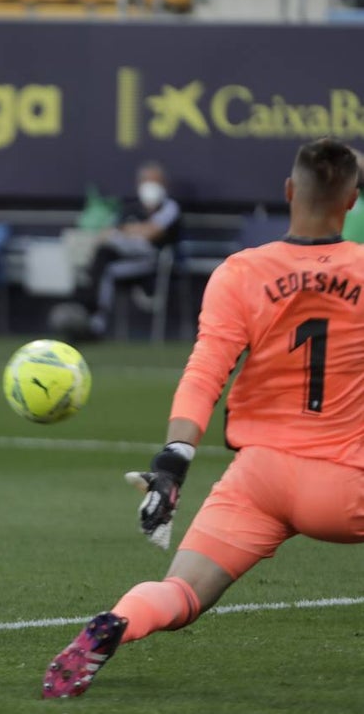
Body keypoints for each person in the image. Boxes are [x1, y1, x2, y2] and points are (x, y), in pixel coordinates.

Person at [43, 137, 364, 697]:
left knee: (182, 592)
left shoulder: (241, 272)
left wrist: (172, 465)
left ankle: (117, 620)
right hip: (347, 481)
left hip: (259, 478)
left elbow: (205, 373)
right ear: (353, 200)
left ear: (289, 192)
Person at [77, 160, 181, 339]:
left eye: (155, 182)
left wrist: (126, 231)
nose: (150, 186)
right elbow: (108, 232)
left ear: (164, 185)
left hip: (153, 263)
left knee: (106, 266)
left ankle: (94, 323)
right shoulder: (130, 208)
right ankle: (88, 319)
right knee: (102, 258)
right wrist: (126, 232)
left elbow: (151, 232)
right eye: (146, 181)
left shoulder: (170, 207)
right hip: (125, 258)